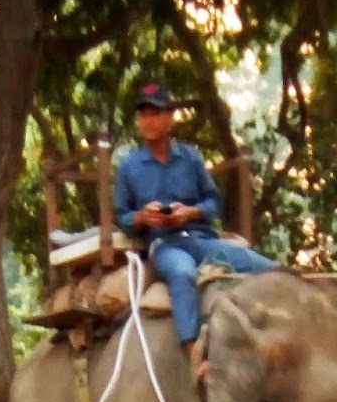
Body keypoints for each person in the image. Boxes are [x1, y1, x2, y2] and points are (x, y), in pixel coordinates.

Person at [114, 81, 275, 366]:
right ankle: (193, 353)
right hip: (165, 244)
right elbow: (122, 216)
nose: (148, 121)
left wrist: (190, 212)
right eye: (143, 114)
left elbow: (213, 202)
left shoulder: (190, 157)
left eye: (155, 113)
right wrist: (141, 217)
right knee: (182, 272)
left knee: (261, 265)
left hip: (202, 239)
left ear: (169, 118)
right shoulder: (129, 166)